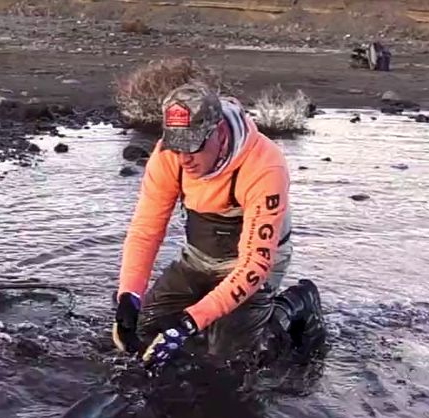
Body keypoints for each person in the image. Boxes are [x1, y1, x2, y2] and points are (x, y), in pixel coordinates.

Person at [110, 81, 323, 372]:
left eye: (194, 146)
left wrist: (191, 320)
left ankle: (293, 305)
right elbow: (146, 231)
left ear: (219, 131)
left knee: (230, 361)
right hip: (199, 257)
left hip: (256, 264)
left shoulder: (264, 165)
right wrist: (129, 296)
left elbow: (255, 266)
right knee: (144, 335)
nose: (185, 158)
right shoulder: (168, 157)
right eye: (177, 145)